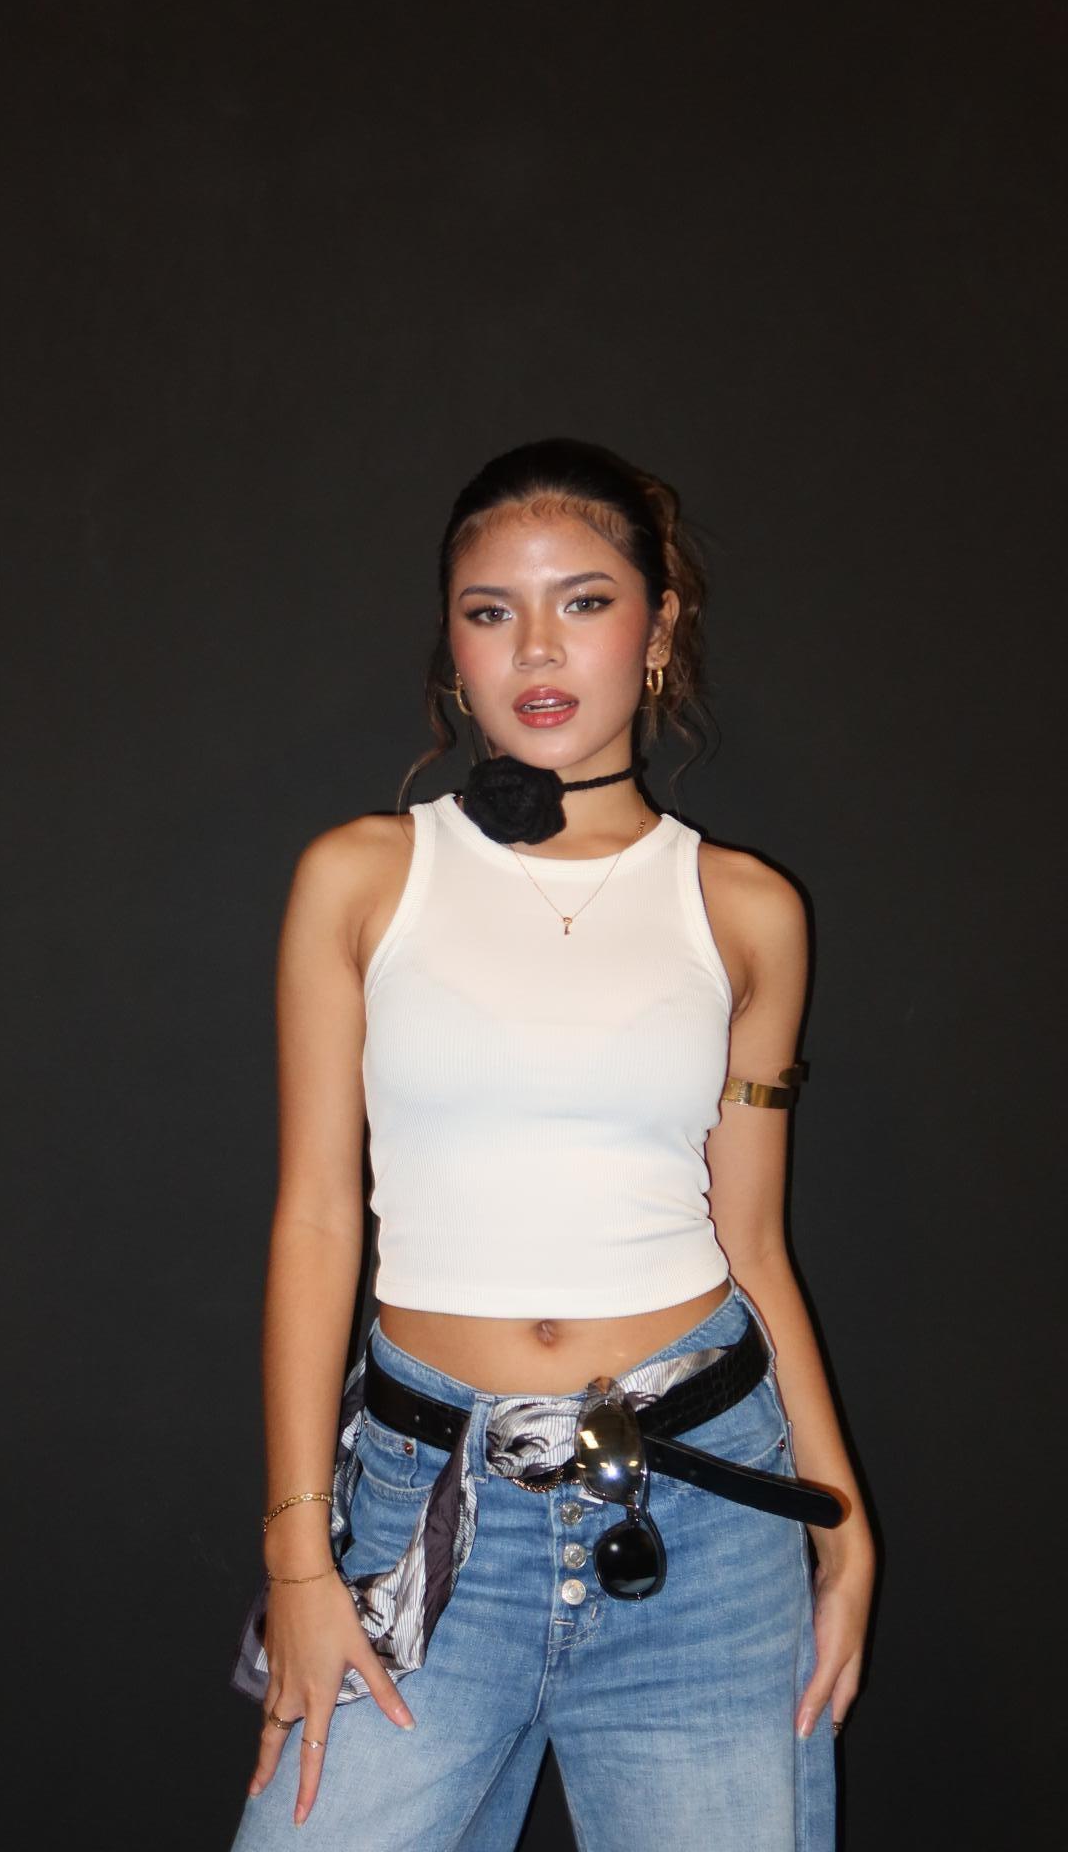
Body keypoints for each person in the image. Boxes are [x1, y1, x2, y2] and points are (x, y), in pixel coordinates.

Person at [227, 438, 875, 1849]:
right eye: (490, 610)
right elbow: (318, 1222)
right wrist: (297, 1554)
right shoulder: (364, 878)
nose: (536, 646)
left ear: (659, 628)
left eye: (583, 601)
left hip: (704, 1518)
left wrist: (843, 1522)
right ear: (452, 646)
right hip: (427, 1510)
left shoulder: (746, 908)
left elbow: (754, 1242)